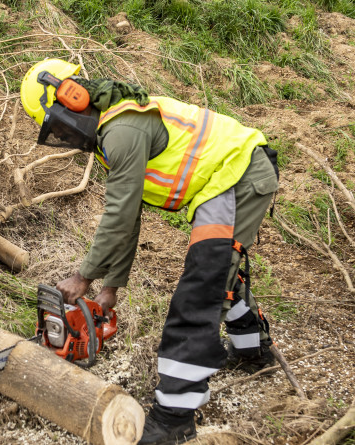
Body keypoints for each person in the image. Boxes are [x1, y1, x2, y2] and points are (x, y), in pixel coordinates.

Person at [20, 58, 279, 445]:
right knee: (221, 270)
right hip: (223, 182)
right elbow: (130, 213)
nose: (65, 133)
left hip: (237, 176)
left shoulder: (121, 129)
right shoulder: (116, 131)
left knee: (203, 286)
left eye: (58, 122)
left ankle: (174, 417)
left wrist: (83, 276)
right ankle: (253, 349)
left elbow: (119, 215)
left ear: (71, 98)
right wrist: (111, 287)